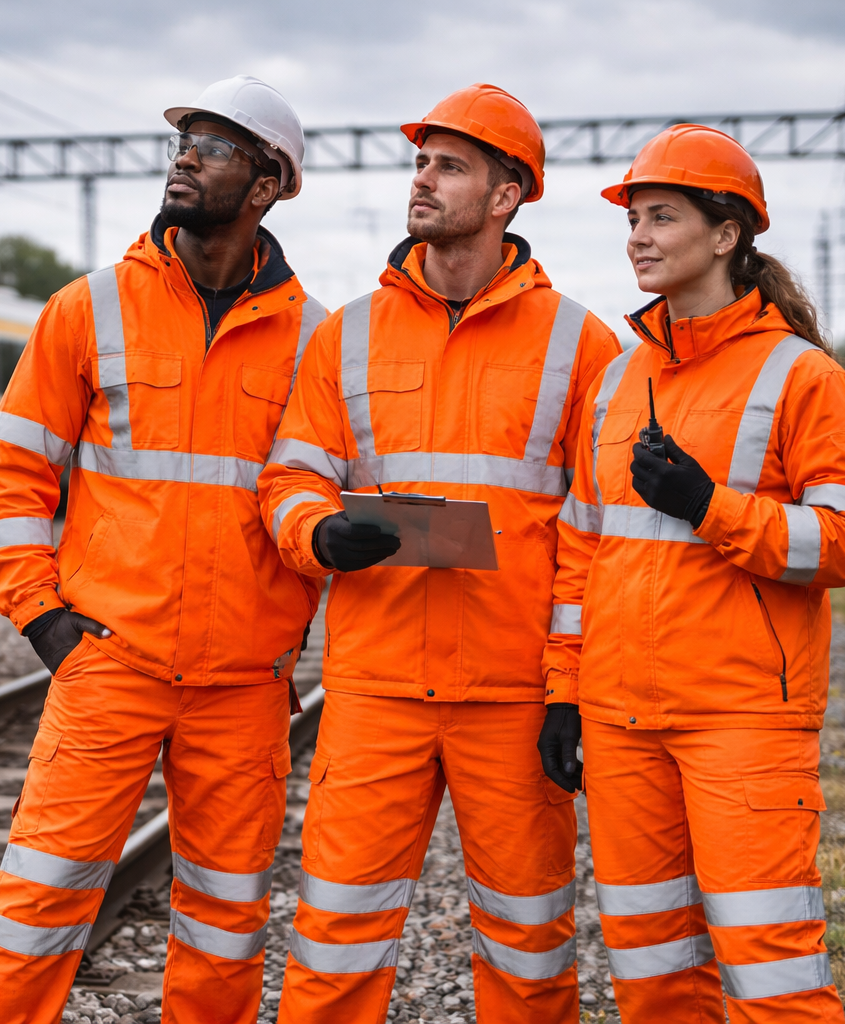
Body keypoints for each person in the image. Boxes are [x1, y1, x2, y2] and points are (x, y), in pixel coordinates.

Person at [0, 75, 327, 1024]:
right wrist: (42, 619)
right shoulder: (88, 310)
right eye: (183, 143)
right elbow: (12, 478)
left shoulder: (315, 342)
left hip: (246, 682)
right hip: (108, 664)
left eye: (213, 147)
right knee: (38, 902)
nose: (184, 159)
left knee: (225, 919)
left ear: (268, 183)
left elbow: (314, 499)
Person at [258, 83, 621, 1022]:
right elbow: (289, 476)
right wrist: (318, 533)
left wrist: (571, 691)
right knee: (335, 935)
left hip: (511, 694)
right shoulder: (348, 336)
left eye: (448, 165)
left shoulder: (582, 346)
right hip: (374, 687)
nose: (422, 178)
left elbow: (601, 540)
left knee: (530, 943)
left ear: (507, 195)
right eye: (420, 161)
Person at [556, 124, 845, 1022]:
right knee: (651, 964)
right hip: (621, 721)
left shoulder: (803, 377)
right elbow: (579, 550)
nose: (640, 237)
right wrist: (563, 694)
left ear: (728, 233)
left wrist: (712, 507)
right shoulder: (618, 382)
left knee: (770, 970)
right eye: (634, 220)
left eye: (663, 216)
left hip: (743, 719)